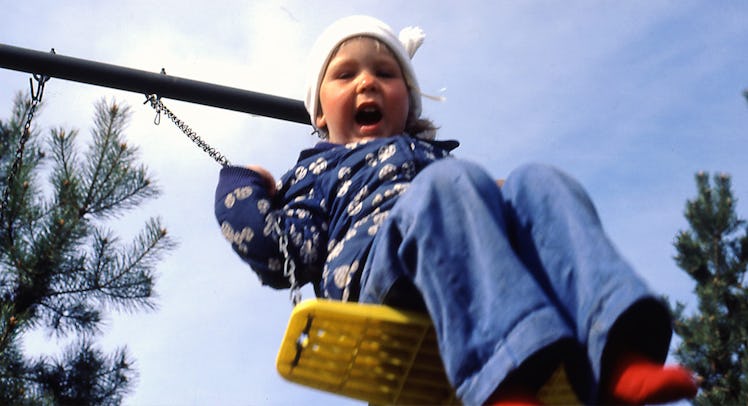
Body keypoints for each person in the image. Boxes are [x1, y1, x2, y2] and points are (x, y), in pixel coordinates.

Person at [214, 15, 698, 405]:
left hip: (467, 274)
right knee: (450, 183)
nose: (368, 83)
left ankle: (620, 355)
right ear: (319, 112)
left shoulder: (441, 165)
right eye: (345, 74)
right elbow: (280, 256)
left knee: (538, 180)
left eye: (386, 74)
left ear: (409, 101)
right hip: (380, 280)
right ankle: (504, 385)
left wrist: (508, 206)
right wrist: (245, 185)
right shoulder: (316, 177)